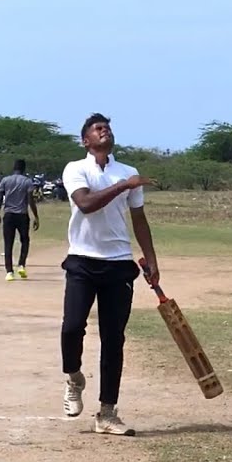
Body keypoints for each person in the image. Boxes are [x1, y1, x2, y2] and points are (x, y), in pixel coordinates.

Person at [59, 113, 158, 437]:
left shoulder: (128, 172)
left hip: (118, 262)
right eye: (98, 129)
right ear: (86, 140)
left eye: (108, 128)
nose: (105, 131)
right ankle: (74, 377)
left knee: (113, 340)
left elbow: (139, 220)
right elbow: (86, 204)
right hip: (83, 260)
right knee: (73, 327)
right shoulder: (76, 169)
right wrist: (123, 186)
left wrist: (152, 260)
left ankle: (107, 413)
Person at [0, 159, 39, 281]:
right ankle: (21, 265)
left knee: (8, 243)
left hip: (8, 214)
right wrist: (36, 216)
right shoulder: (27, 181)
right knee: (25, 240)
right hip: (22, 215)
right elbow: (30, 200)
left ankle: (9, 272)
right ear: (24, 169)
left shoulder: (5, 180)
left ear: (13, 168)